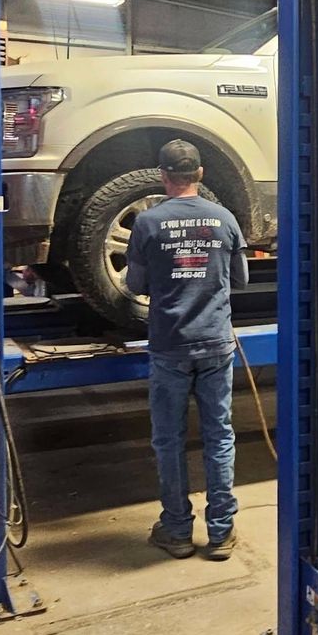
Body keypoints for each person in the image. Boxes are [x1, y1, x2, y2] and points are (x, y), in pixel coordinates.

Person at [125, 139, 249, 561]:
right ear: (200, 174)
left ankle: (177, 531)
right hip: (216, 344)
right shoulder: (225, 219)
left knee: (169, 441)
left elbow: (135, 285)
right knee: (219, 438)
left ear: (162, 176)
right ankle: (221, 532)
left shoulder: (147, 222)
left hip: (170, 346)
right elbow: (242, 280)